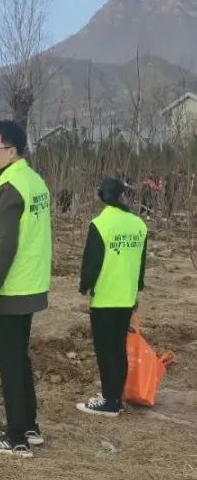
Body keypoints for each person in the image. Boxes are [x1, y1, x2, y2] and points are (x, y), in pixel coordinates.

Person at [0, 120, 51, 458]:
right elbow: (18, 227)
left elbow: (7, 246)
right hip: (31, 285)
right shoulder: (32, 181)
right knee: (20, 359)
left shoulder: (9, 188)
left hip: (9, 289)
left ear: (11, 151)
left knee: (9, 363)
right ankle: (29, 426)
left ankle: (16, 437)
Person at [76, 178, 147, 417]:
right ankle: (114, 396)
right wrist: (137, 289)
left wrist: (84, 289)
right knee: (118, 348)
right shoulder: (139, 225)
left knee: (105, 350)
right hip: (126, 296)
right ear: (122, 196)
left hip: (105, 297)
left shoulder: (100, 224)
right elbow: (141, 263)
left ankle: (109, 402)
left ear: (101, 197)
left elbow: (91, 262)